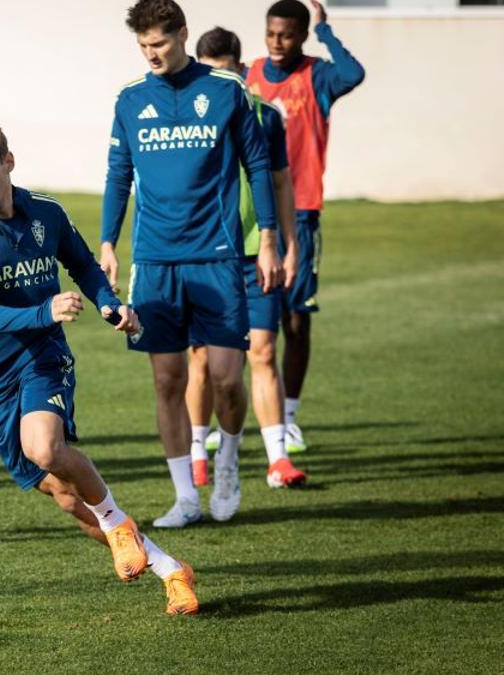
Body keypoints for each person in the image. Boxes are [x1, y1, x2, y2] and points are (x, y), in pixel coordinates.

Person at [0, 119, 197, 615]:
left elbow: (83, 265)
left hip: (41, 359)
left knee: (45, 448)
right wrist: (44, 309)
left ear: (8, 163)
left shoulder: (46, 214)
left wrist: (108, 303)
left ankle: (118, 525)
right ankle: (169, 569)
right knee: (64, 497)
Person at [100, 0, 283, 527]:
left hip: (218, 257)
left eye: (158, 43)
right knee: (167, 379)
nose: (151, 54)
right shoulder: (131, 101)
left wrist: (267, 238)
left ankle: (228, 461)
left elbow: (258, 168)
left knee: (227, 378)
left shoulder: (226, 92)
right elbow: (118, 175)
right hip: (156, 261)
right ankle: (185, 496)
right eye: (143, 47)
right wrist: (109, 241)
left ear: (182, 34)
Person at [186, 26, 307, 495]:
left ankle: (278, 459)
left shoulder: (266, 117)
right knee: (201, 361)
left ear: (242, 69)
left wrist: (288, 243)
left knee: (262, 352)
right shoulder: (189, 122)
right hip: (205, 256)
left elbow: (281, 182)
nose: (220, 82)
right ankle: (198, 453)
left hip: (257, 254)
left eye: (228, 73)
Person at [247, 0, 365, 453]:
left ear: (301, 35)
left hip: (300, 212)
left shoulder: (319, 76)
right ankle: (245, 413)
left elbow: (353, 73)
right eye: (272, 33)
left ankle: (289, 418)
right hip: (254, 214)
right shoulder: (249, 76)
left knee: (295, 321)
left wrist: (326, 31)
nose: (278, 43)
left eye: (288, 34)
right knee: (252, 324)